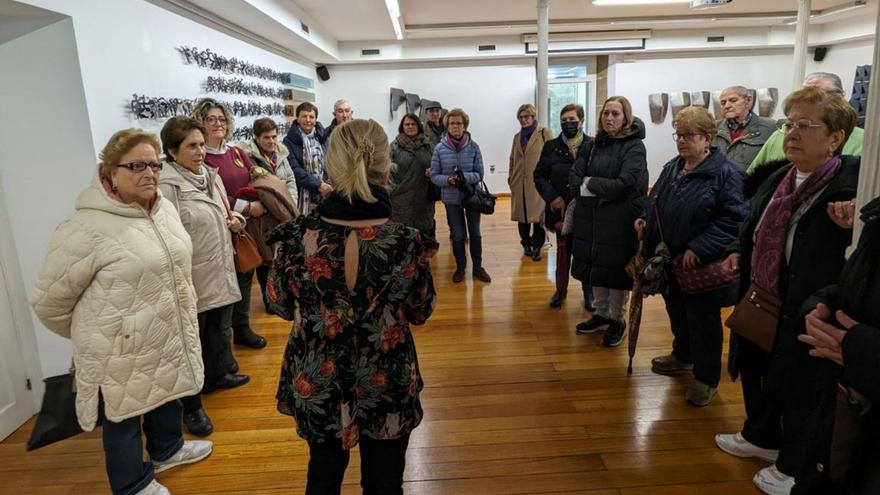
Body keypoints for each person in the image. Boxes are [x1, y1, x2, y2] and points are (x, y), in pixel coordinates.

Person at [31, 129, 212, 495]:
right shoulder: (84, 228)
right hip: (119, 347)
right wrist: (103, 331)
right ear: (110, 172)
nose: (149, 173)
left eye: (154, 164)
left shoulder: (163, 211)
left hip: (167, 330)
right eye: (136, 166)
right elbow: (49, 302)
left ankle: (167, 449)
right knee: (124, 416)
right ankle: (132, 484)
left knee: (167, 393)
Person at [268, 119, 437, 495]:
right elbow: (421, 310)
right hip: (386, 372)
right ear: (384, 164)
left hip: (318, 373)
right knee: (385, 482)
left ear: (330, 164)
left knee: (323, 477)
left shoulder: (296, 236)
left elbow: (277, 303)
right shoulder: (406, 241)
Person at [714, 87, 859, 495]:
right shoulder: (779, 176)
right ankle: (760, 436)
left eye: (805, 126)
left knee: (801, 386)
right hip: (763, 296)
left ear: (835, 138)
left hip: (806, 305)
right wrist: (735, 251)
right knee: (757, 370)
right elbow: (752, 224)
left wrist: (856, 221)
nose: (792, 133)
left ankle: (794, 465)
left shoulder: (850, 185)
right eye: (789, 124)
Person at [637, 106, 748, 407]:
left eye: (689, 135)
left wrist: (700, 247)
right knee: (677, 311)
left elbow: (735, 219)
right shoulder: (674, 167)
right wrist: (646, 221)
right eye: (678, 134)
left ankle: (706, 378)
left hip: (701, 264)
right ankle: (682, 355)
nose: (682, 141)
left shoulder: (726, 175)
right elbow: (655, 199)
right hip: (671, 259)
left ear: (707, 139)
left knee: (703, 321)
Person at [159, 117, 251, 437]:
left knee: (217, 328)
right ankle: (192, 406)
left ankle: (215, 377)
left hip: (218, 266)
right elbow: (166, 234)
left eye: (201, 144)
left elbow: (223, 212)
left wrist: (235, 219)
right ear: (172, 151)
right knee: (190, 341)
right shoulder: (166, 186)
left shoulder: (210, 175)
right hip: (191, 274)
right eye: (191, 146)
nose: (200, 151)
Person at [796, 195, 880, 495]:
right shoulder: (875, 214)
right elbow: (852, 288)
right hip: (848, 404)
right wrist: (819, 306)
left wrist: (862, 348)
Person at [191, 99, 267, 364]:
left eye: (221, 119)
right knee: (222, 289)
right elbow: (210, 195)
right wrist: (247, 206)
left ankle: (242, 328)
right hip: (219, 228)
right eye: (211, 119)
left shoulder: (235, 152)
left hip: (241, 229)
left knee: (245, 276)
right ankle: (221, 353)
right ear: (200, 123)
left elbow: (252, 176)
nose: (218, 123)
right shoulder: (200, 159)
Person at [570, 96, 648, 347]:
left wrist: (590, 183)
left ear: (626, 117)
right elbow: (574, 177)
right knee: (597, 268)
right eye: (606, 113)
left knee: (616, 272)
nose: (609, 118)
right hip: (591, 218)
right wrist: (594, 185)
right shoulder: (591, 145)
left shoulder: (634, 147)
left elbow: (625, 184)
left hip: (619, 219)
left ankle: (617, 319)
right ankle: (602, 314)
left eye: (615, 114)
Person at [747, 73, 864, 183]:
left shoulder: (864, 141)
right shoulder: (779, 135)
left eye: (816, 96)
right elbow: (750, 181)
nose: (791, 134)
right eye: (803, 94)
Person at [534, 104, 593, 310]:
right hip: (560, 209)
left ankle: (589, 293)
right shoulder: (551, 146)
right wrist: (552, 197)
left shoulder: (592, 145)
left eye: (572, 119)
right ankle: (560, 291)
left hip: (587, 211)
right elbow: (539, 176)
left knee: (586, 253)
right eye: (564, 120)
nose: (568, 123)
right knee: (562, 252)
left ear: (582, 121)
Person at [238, 117, 299, 309]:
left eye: (274, 136)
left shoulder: (280, 152)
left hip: (283, 211)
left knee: (283, 255)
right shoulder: (246, 157)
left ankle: (283, 294)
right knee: (266, 259)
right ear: (256, 138)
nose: (272, 141)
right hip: (263, 216)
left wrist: (290, 202)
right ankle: (268, 298)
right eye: (266, 138)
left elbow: (290, 179)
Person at [430, 108, 491, 283]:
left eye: (459, 123)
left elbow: (479, 174)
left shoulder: (474, 147)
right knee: (457, 235)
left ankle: (478, 268)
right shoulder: (439, 149)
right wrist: (448, 180)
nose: (455, 126)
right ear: (447, 126)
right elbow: (434, 175)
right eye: (452, 123)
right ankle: (461, 268)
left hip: (472, 197)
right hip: (451, 199)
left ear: (464, 126)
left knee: (475, 232)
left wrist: (463, 178)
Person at [509, 104, 553, 261]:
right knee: (522, 217)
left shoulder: (543, 133)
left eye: (526, 116)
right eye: (520, 117)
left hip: (538, 182)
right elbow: (512, 159)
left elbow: (552, 155)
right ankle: (526, 244)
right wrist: (510, 178)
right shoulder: (517, 137)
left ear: (533, 117)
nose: (523, 120)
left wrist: (550, 179)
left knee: (539, 217)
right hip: (519, 182)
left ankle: (537, 246)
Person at [390, 113, 436, 236]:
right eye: (407, 124)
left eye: (413, 124)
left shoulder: (428, 145)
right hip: (400, 199)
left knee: (425, 233)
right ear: (402, 127)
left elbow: (437, 165)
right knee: (403, 235)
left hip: (424, 198)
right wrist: (394, 190)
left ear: (419, 126)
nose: (410, 126)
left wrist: (434, 172)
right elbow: (387, 172)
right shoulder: (394, 147)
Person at [712, 85, 777, 171]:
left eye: (733, 100)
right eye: (723, 103)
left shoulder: (770, 127)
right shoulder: (713, 128)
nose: (727, 106)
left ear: (748, 101)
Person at [283, 101, 331, 216]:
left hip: (327, 190)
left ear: (316, 119)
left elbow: (330, 161)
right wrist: (318, 185)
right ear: (297, 118)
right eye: (304, 116)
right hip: (303, 191)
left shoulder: (323, 137)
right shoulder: (288, 141)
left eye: (311, 117)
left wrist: (329, 183)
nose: (308, 120)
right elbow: (294, 169)